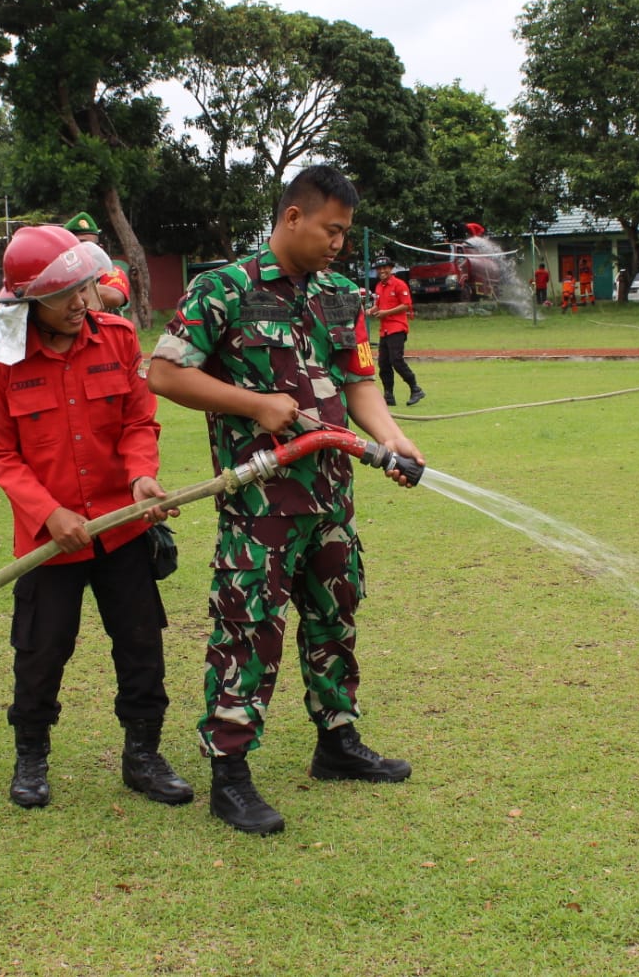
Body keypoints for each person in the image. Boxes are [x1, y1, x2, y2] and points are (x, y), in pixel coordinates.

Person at [147, 165, 424, 836]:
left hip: (330, 498)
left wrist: (393, 440)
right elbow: (163, 372)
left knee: (335, 619)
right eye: (331, 229)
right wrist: (256, 406)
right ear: (293, 217)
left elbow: (360, 382)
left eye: (345, 232)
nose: (338, 242)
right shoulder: (223, 288)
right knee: (249, 632)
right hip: (259, 506)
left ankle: (337, 741)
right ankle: (231, 774)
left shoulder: (341, 294)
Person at [0, 225, 193, 810]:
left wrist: (142, 473)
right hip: (49, 543)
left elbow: (138, 422)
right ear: (26, 300)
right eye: (63, 293)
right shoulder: (0, 362)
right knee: (41, 650)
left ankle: (143, 755)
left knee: (142, 645)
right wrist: (48, 513)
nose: (81, 301)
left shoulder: (117, 339)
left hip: (124, 526)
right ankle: (31, 755)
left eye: (85, 286)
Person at [369, 255, 425, 407]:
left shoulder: (399, 284)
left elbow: (406, 305)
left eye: (385, 268)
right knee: (383, 363)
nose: (382, 271)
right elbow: (378, 305)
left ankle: (415, 388)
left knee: (396, 360)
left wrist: (385, 313)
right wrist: (368, 311)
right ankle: (389, 395)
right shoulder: (379, 286)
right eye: (379, 268)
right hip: (384, 330)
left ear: (391, 268)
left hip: (397, 327)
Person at [64, 211, 131, 311]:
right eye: (76, 244)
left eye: (89, 245)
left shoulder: (111, 271)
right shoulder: (57, 272)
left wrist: (60, 293)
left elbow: (114, 297)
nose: (82, 249)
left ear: (99, 248)